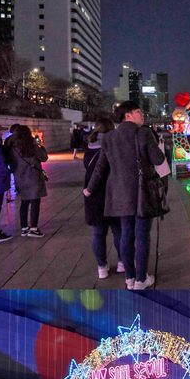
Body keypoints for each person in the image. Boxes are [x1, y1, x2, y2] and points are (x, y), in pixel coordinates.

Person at [83, 101, 168, 290]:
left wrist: (89, 189)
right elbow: (158, 160)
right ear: (128, 115)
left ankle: (129, 278)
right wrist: (159, 147)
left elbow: (100, 168)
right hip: (142, 192)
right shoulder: (144, 133)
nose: (142, 115)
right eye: (139, 111)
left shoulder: (109, 137)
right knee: (142, 236)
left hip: (119, 194)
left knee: (126, 235)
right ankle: (141, 279)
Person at [83, 119, 124, 280]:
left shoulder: (89, 148)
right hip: (113, 192)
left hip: (94, 195)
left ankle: (102, 267)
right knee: (118, 231)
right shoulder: (114, 147)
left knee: (98, 233)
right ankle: (122, 262)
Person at [7, 125, 49, 238]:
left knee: (24, 203)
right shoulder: (32, 146)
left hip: (20, 178)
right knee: (35, 203)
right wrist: (41, 147)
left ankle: (24, 228)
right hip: (34, 178)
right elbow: (44, 157)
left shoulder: (12, 147)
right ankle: (33, 228)